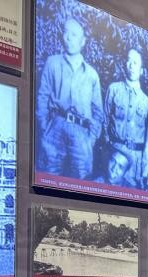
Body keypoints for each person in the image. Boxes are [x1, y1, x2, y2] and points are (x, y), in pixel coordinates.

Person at [36, 18, 104, 179]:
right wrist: (45, 128)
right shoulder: (52, 63)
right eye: (66, 32)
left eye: (74, 34)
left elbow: (98, 112)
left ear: (83, 41)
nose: (68, 38)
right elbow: (42, 97)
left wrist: (91, 139)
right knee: (48, 176)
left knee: (82, 180)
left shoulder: (91, 74)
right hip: (55, 126)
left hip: (82, 131)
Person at [104, 48, 148, 189]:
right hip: (114, 155)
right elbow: (104, 121)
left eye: (135, 63)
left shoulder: (147, 102)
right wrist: (107, 149)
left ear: (142, 70)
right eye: (129, 61)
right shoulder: (114, 90)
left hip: (135, 163)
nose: (131, 66)